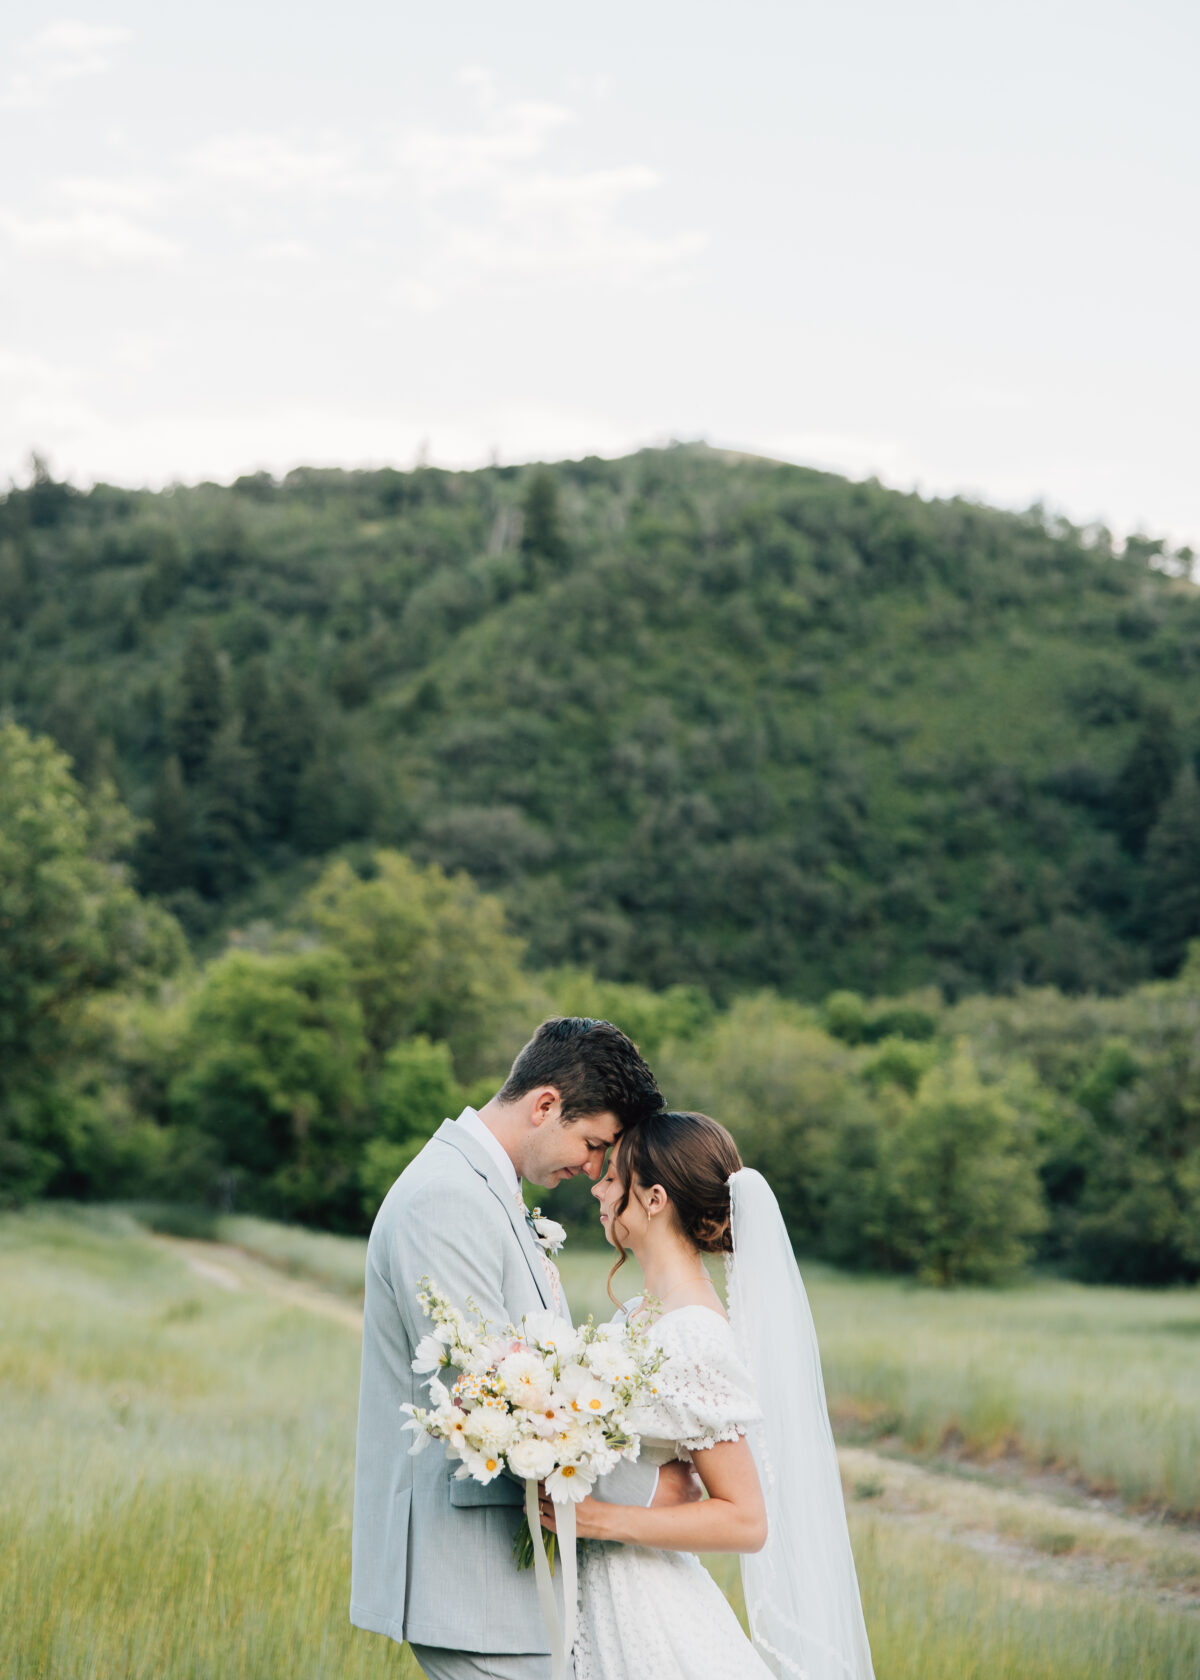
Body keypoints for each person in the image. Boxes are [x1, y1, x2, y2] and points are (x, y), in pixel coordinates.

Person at [350, 1017, 704, 1680]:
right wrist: (652, 1488)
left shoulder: (487, 1191)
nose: (596, 1167)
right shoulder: (446, 1199)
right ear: (545, 1105)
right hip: (475, 1583)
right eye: (593, 1142)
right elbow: (494, 1401)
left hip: (509, 1585)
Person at [539, 1109, 876, 1680]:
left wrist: (600, 1519)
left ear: (654, 1199)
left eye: (614, 1178)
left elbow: (745, 1521)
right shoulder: (644, 1315)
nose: (596, 1186)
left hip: (646, 1606)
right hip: (597, 1590)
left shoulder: (693, 1334)